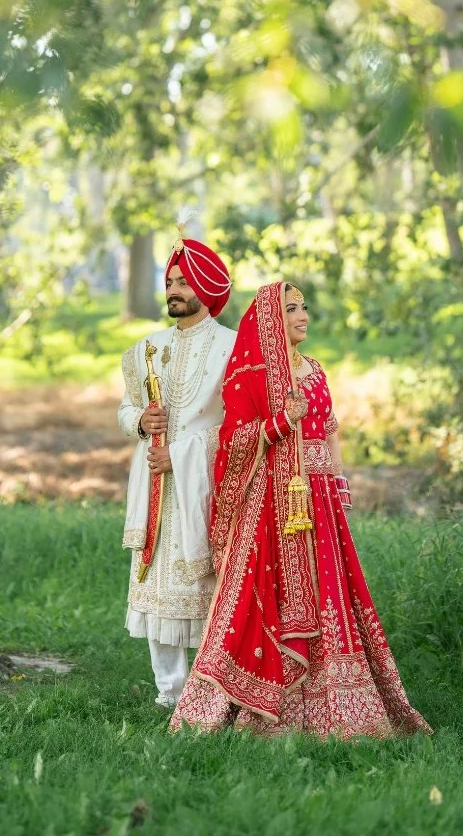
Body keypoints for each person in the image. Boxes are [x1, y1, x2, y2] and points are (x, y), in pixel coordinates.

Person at [170, 280, 431, 738]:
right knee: (259, 602)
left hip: (321, 503)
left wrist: (339, 485)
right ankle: (248, 708)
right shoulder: (253, 374)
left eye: (305, 307)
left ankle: (342, 708)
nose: (303, 315)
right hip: (271, 502)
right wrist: (279, 420)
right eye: (292, 309)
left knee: (333, 594)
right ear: (273, 319)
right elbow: (232, 441)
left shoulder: (315, 369)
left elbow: (330, 430)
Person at [118, 229, 236, 708]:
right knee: (158, 586)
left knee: (207, 586)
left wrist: (186, 452)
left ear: (207, 289)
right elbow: (125, 409)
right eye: (169, 281)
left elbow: (238, 427)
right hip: (155, 488)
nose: (173, 290)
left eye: (184, 282)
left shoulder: (232, 349)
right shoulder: (147, 348)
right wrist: (141, 423)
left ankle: (213, 689)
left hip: (205, 488)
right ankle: (170, 693)